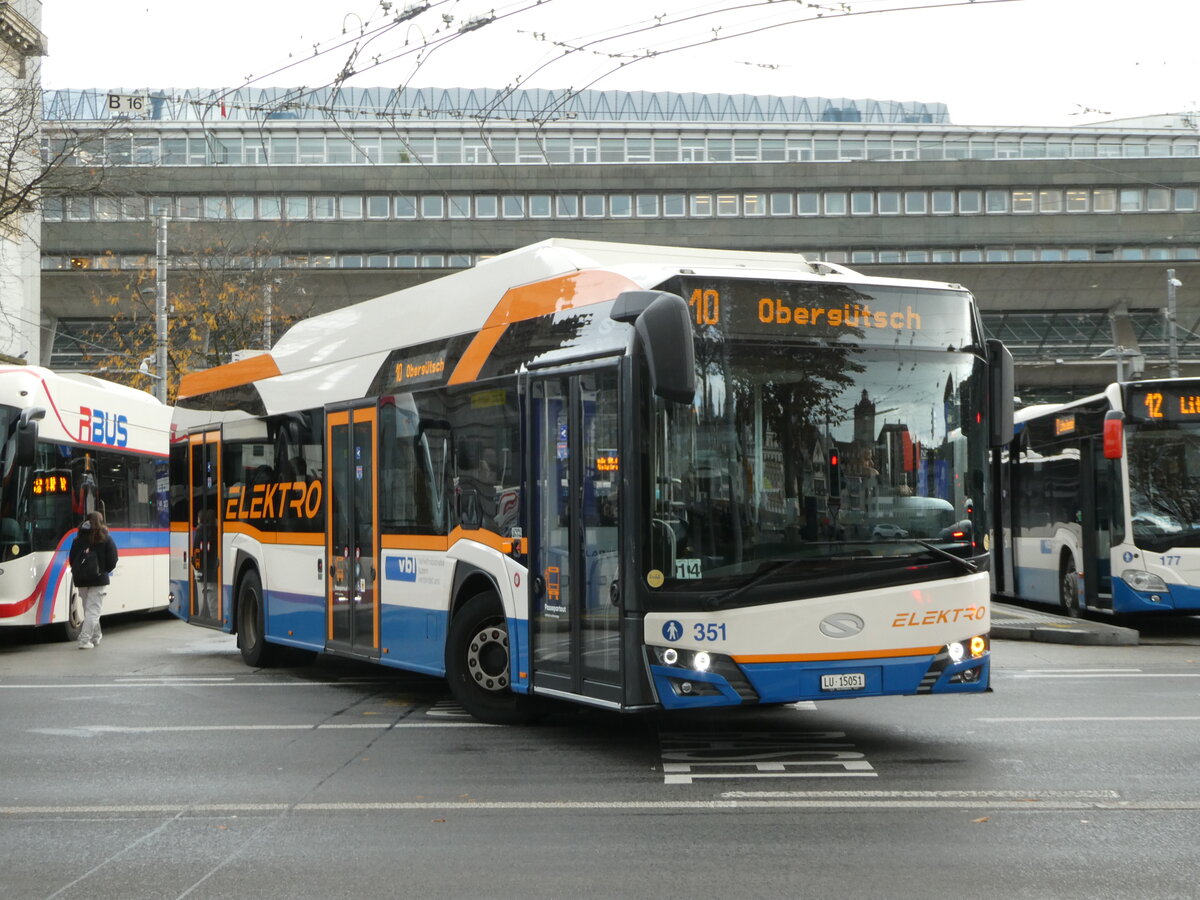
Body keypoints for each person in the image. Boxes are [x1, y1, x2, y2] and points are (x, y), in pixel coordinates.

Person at [68, 511, 119, 650]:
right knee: (93, 611)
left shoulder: (78, 539)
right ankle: (84, 640)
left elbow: (72, 560)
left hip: (82, 580)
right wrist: (104, 571)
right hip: (98, 580)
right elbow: (113, 559)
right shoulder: (105, 538)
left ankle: (96, 636)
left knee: (88, 610)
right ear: (101, 522)